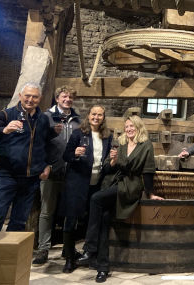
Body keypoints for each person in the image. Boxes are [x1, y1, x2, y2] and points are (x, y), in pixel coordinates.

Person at [77, 115, 163, 283]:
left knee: (95, 198)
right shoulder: (121, 143)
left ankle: (90, 248)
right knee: (104, 219)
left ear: (139, 128)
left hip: (130, 186)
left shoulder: (145, 145)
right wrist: (113, 161)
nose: (129, 129)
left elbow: (147, 170)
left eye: (132, 126)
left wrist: (150, 193)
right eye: (127, 126)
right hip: (115, 183)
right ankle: (102, 268)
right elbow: (108, 167)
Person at [0, 82, 60, 231]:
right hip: (6, 176)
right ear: (20, 96)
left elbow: (47, 144)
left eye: (35, 97)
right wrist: (4, 129)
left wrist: (47, 164)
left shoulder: (42, 119)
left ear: (40, 98)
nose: (30, 100)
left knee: (18, 223)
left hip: (30, 180)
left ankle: (11, 255)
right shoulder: (7, 114)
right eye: (27, 96)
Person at [58, 105, 112, 273]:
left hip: (96, 184)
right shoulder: (78, 133)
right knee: (71, 218)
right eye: (93, 114)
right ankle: (69, 258)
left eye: (100, 115)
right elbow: (66, 156)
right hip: (77, 183)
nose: (96, 117)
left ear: (103, 118)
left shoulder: (107, 136)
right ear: (88, 116)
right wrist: (74, 153)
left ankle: (90, 254)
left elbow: (106, 160)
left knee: (92, 220)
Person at [33, 85, 81, 265]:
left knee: (71, 211)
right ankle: (43, 248)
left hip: (72, 172)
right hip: (51, 170)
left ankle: (67, 248)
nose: (67, 99)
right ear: (57, 98)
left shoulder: (77, 120)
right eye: (64, 96)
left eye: (70, 97)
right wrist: (44, 165)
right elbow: (38, 144)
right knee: (47, 211)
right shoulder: (46, 117)